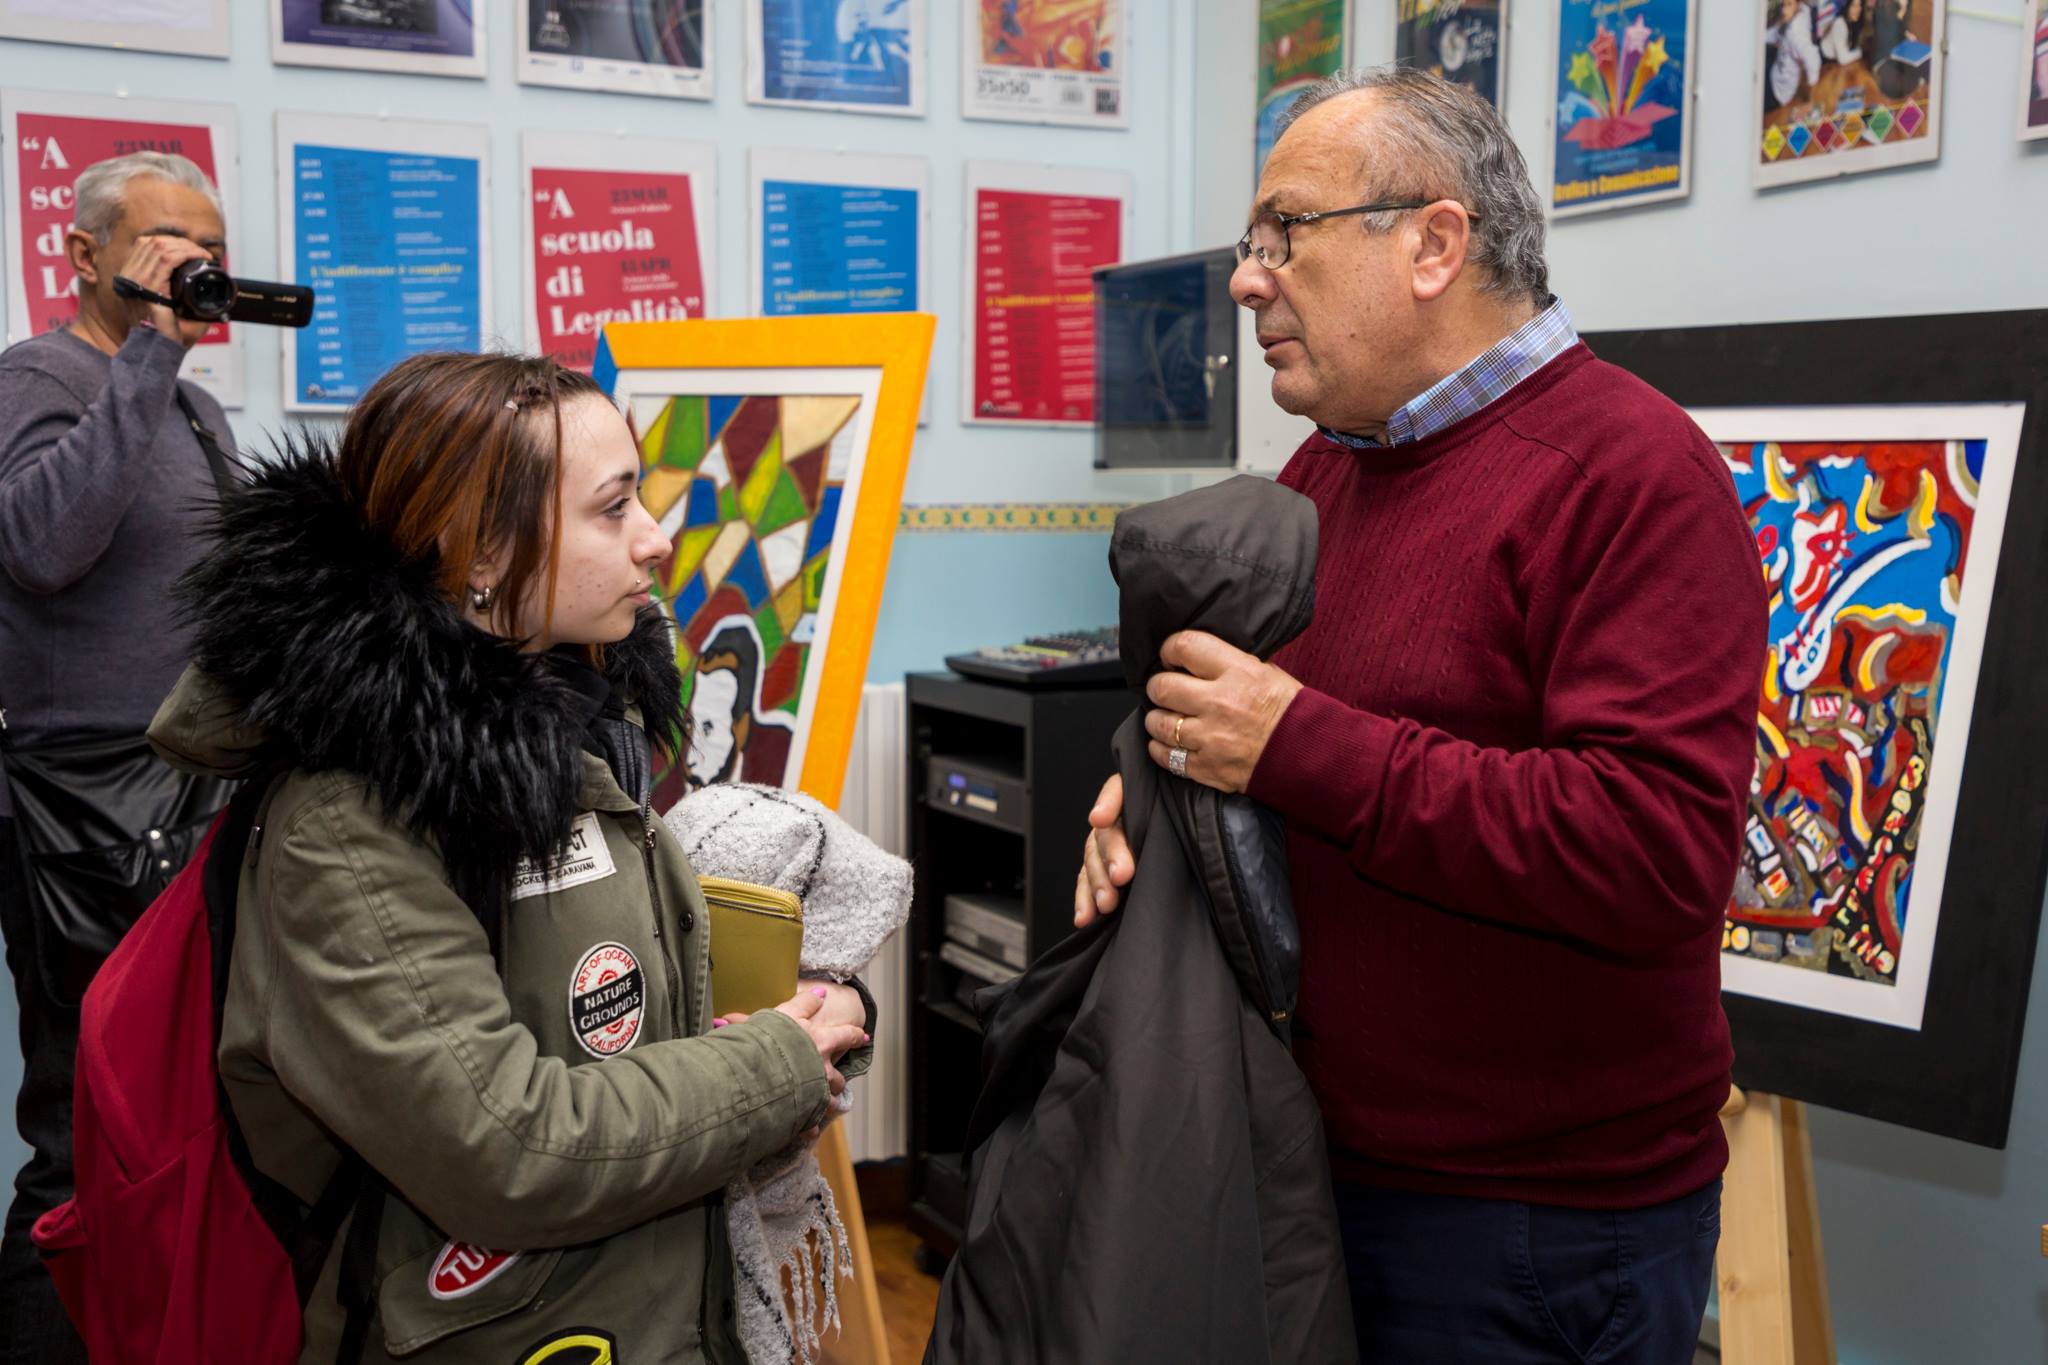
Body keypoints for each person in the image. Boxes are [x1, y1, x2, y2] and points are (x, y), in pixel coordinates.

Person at [1076, 67, 1765, 1363]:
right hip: (1313, 1164)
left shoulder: (1632, 475)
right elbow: (1261, 733)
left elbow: (1652, 848)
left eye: (1285, 233)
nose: (1247, 281)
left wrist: (1296, 746)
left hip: (1532, 1228)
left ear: (1434, 245)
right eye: (1250, 242)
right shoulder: (1327, 467)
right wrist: (1158, 799)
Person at [146, 351, 873, 1359]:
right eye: (612, 507)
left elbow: (609, 1009)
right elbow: (508, 1149)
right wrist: (772, 1066)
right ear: (479, 550)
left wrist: (810, 1017)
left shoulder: (575, 727)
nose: (656, 538)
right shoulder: (350, 821)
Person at [0, 150, 238, 1365]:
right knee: (84, 1131)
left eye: (209, 248)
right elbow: (43, 547)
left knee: (189, 1116)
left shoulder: (193, 405)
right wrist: (148, 352)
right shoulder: (35, 378)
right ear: (86, 256)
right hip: (84, 812)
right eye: (164, 244)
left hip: (197, 793)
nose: (193, 266)